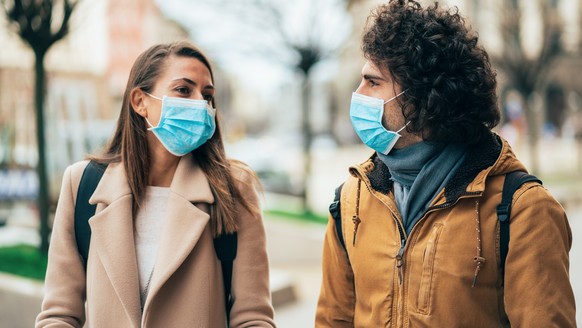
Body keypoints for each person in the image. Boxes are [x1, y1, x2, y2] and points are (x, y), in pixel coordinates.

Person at [316, 1, 576, 327]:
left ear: (423, 97)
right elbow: (332, 320)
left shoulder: (522, 209)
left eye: (374, 82)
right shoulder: (352, 199)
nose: (358, 94)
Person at [36, 41, 276, 328]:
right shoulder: (82, 184)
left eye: (208, 95)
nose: (201, 103)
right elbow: (59, 315)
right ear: (140, 101)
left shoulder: (233, 189)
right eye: (184, 90)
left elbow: (253, 318)